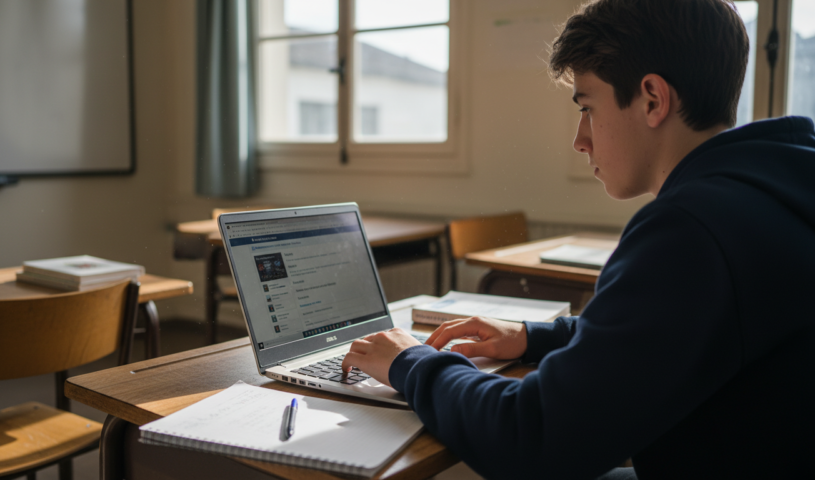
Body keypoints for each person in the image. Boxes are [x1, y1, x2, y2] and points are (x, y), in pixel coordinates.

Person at [341, 0, 815, 478]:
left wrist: (411, 361)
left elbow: (530, 438)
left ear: (652, 99)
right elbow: (660, 338)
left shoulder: (691, 230)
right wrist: (531, 338)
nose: (580, 139)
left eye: (587, 107)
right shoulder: (775, 187)